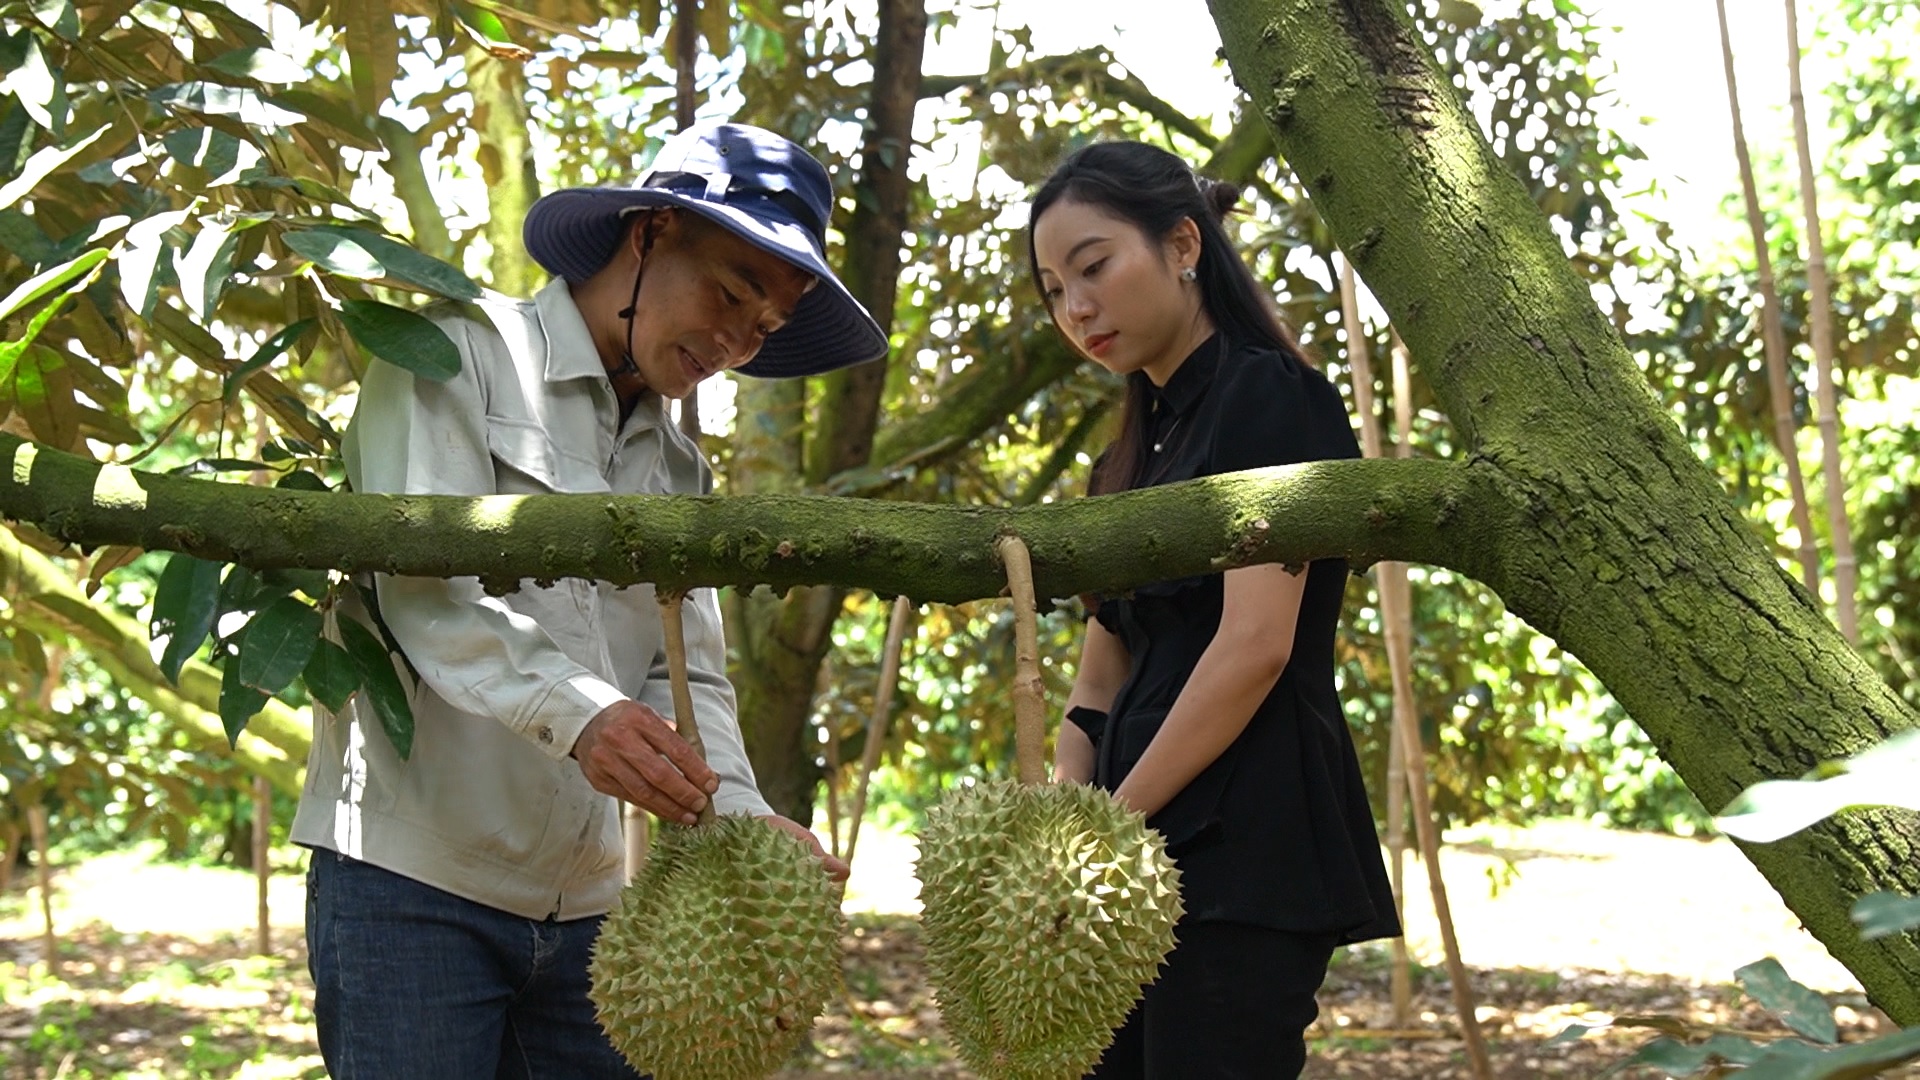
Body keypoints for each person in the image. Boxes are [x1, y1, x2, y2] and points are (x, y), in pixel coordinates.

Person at [291, 122, 883, 1078]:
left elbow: (682, 674)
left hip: (593, 911)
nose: (735, 341)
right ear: (647, 235)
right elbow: (424, 592)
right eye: (730, 293)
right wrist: (581, 715)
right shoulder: (452, 356)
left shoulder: (679, 468)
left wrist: (734, 808)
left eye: (764, 329)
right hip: (413, 883)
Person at [1028, 141, 1402, 1078]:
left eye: (1094, 266)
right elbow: (1103, 663)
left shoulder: (1273, 403)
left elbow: (1256, 647)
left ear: (1183, 245)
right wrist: (1068, 815)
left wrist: (1114, 823)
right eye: (1052, 289)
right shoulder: (1129, 455)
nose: (1076, 308)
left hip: (1242, 839)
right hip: (1126, 840)